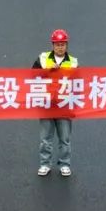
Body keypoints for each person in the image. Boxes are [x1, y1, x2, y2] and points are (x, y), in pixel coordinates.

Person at [33, 29, 77, 177]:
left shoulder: (73, 62)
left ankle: (65, 164)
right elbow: (31, 76)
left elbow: (78, 82)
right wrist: (47, 71)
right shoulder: (43, 59)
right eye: (57, 44)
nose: (60, 47)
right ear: (53, 45)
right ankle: (45, 164)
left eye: (63, 44)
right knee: (45, 138)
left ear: (66, 45)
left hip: (64, 105)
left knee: (64, 138)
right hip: (46, 103)